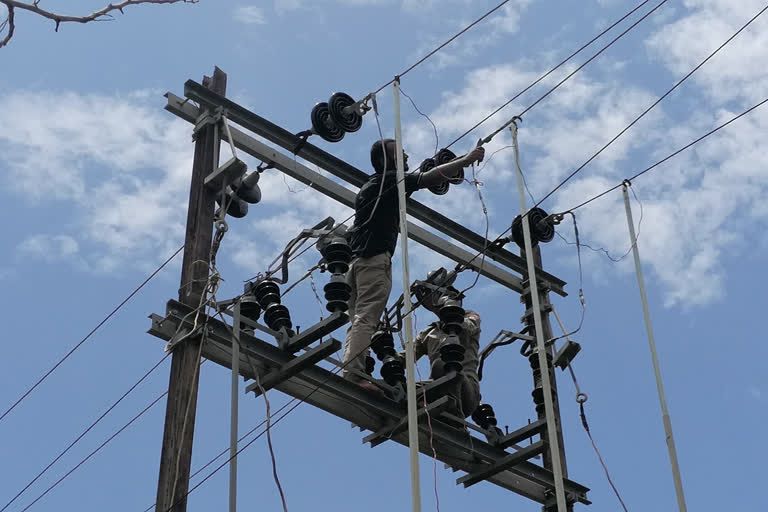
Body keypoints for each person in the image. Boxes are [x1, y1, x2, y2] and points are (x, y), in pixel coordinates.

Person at [341, 139, 484, 390]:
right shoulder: (392, 180)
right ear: (389, 160)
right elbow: (430, 177)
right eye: (400, 152)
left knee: (357, 320)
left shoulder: (370, 187)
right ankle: (353, 375)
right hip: (374, 261)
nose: (406, 154)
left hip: (354, 264)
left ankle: (353, 368)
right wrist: (467, 159)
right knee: (366, 318)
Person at [410, 286, 482, 418]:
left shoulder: (469, 317)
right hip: (435, 386)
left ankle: (454, 410)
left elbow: (467, 327)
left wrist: (448, 309)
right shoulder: (427, 333)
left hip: (465, 391)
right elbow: (405, 358)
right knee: (405, 389)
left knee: (441, 365)